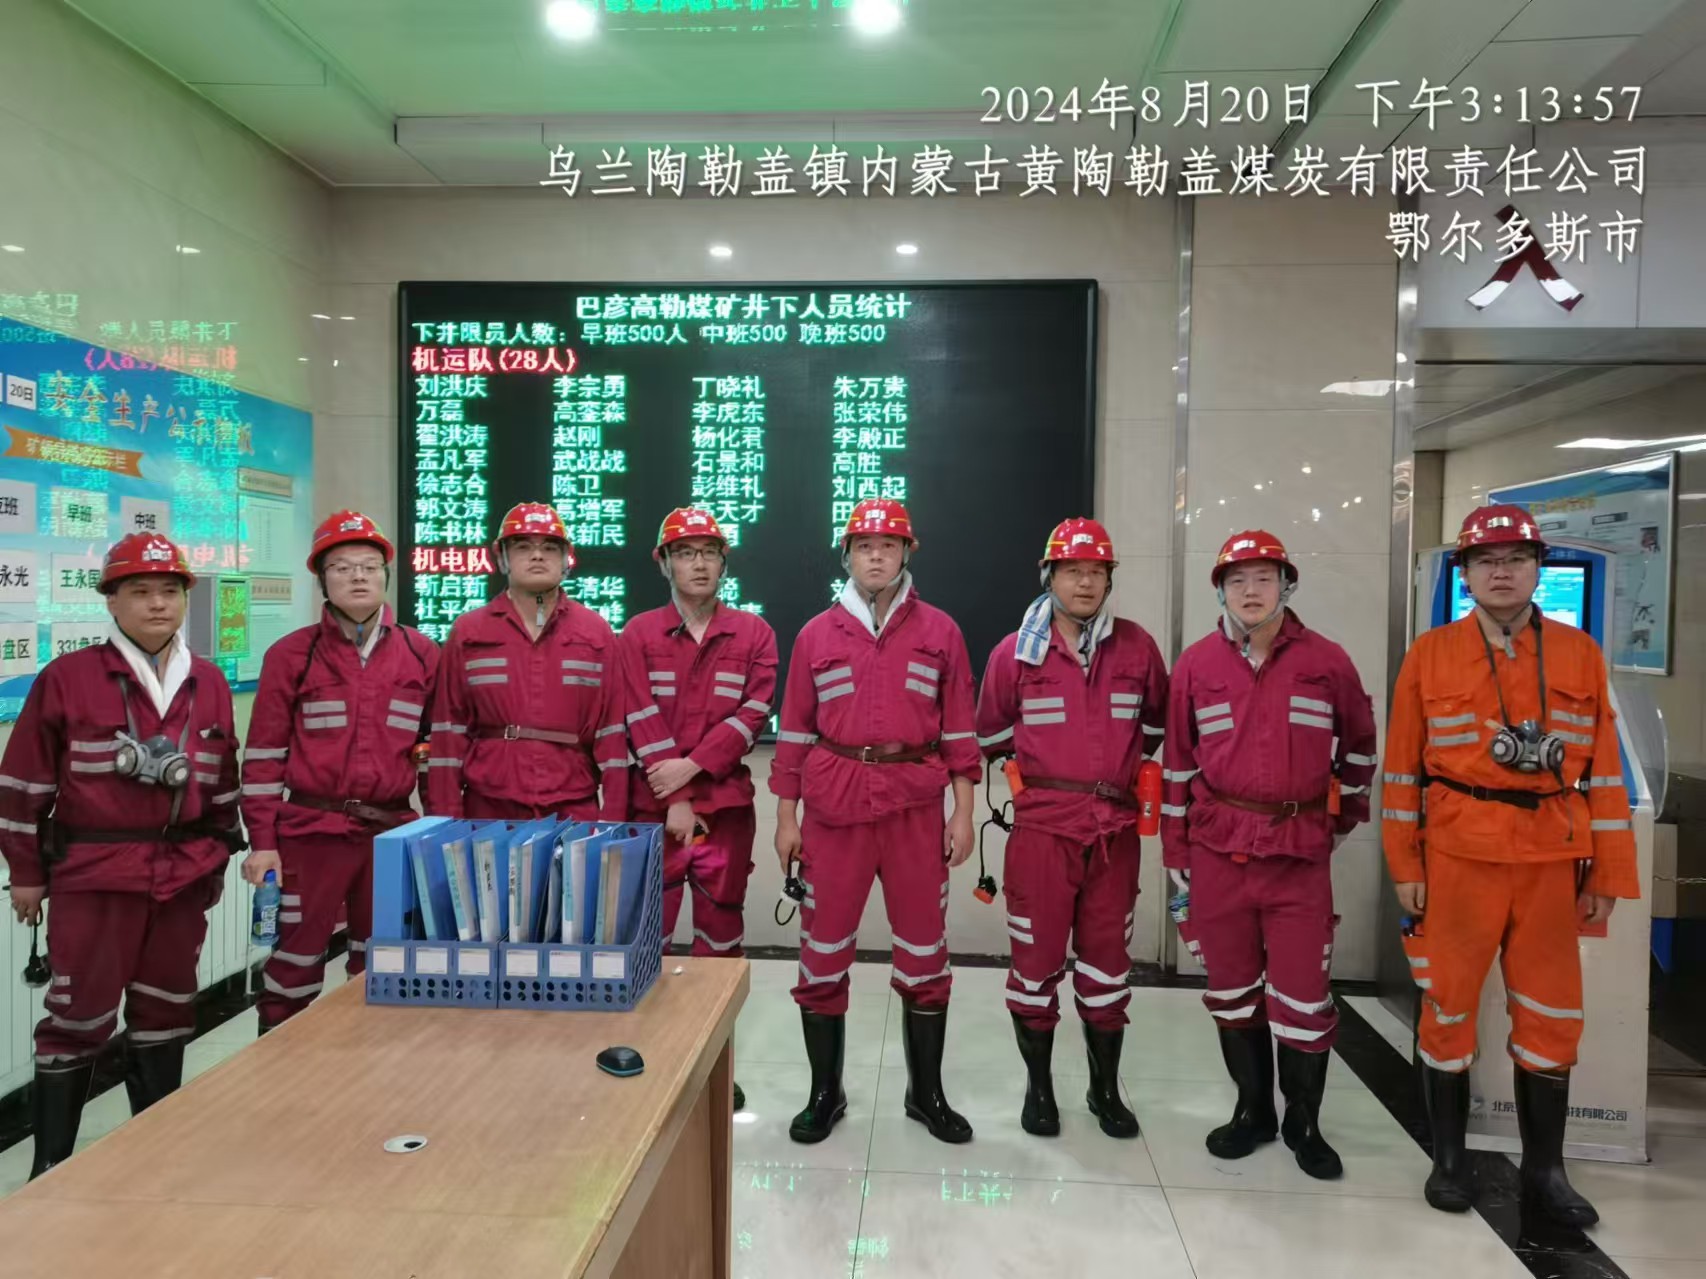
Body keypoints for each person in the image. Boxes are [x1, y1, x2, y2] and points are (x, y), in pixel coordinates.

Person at [1383, 504, 1638, 1224]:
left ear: (1537, 569)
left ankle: (1546, 1170)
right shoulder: (1431, 653)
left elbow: (1605, 773)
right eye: (1486, 561)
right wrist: (1405, 864)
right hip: (1458, 854)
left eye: (1516, 559)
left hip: (1552, 857)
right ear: (1464, 574)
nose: (1501, 572)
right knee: (1447, 1007)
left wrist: (1607, 872)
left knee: (1552, 1013)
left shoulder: (1579, 653)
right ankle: (1449, 1160)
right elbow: (1401, 771)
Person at [0, 533, 242, 1178]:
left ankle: (153, 1157)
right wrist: (26, 874)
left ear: (185, 598)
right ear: (111, 600)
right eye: (140, 591)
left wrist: (217, 859)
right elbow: (23, 784)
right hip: (94, 876)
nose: (157, 604)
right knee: (77, 1017)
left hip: (182, 877)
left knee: (167, 1009)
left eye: (169, 591)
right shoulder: (69, 679)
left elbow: (224, 781)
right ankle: (50, 1166)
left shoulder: (208, 680)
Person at [1161, 530, 1377, 1181]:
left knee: (1305, 999)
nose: (1250, 591)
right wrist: (1177, 852)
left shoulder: (1327, 662)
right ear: (1221, 591)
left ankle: (1303, 1122)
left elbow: (1360, 750)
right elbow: (1178, 764)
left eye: (1263, 578)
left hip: (1297, 857)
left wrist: (1339, 821)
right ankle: (1253, 1110)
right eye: (1237, 580)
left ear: (1286, 585)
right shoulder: (1196, 666)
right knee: (1231, 992)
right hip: (1217, 853)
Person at [771, 498, 981, 1145]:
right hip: (833, 810)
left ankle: (926, 1093)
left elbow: (960, 731)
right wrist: (785, 817)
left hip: (915, 809)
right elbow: (794, 733)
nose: (877, 556)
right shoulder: (815, 635)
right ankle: (824, 1093)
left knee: (925, 952)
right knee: (822, 953)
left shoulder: (941, 632)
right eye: (865, 546)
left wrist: (964, 811)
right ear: (847, 556)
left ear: (906, 554)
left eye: (889, 545)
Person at [975, 517, 1168, 1139]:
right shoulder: (1014, 653)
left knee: (1108, 966)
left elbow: (1155, 727)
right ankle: (1039, 1090)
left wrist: (1107, 774)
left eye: (1096, 572)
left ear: (1109, 580)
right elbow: (990, 733)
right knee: (1034, 966)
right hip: (1041, 835)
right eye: (1072, 571)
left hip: (1114, 835)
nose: (1085, 583)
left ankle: (1104, 1090)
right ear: (1049, 577)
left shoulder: (1137, 648)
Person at [239, 511, 440, 1031]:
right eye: (342, 567)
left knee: (381, 963)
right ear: (322, 580)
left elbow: (433, 755)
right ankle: (280, 1069)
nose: (357, 577)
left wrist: (436, 830)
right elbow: (263, 756)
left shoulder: (421, 654)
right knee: (293, 966)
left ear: (385, 576)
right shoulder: (292, 655)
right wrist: (262, 841)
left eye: (369, 566)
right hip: (310, 834)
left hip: (389, 835)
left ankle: (366, 1069)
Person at [617, 506, 778, 1111]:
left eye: (710, 553)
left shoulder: (754, 635)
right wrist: (678, 796)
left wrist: (690, 771)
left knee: (721, 942)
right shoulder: (637, 635)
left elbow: (752, 715)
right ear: (664, 563)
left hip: (726, 815)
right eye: (685, 553)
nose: (699, 564)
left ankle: (715, 1069)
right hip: (652, 814)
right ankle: (649, 1064)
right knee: (645, 942)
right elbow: (637, 714)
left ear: (723, 563)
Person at [427, 502, 627, 821]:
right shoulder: (469, 632)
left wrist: (612, 820)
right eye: (523, 547)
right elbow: (448, 733)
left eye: (549, 547)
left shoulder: (595, 633)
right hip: (488, 809)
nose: (537, 555)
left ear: (566, 560)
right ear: (502, 558)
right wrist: (444, 821)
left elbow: (612, 732)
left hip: (573, 808)